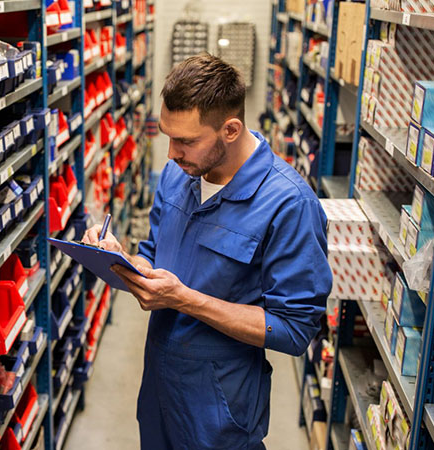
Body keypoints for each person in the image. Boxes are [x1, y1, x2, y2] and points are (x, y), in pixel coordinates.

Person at [82, 53, 333, 449]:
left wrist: (184, 300)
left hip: (220, 411)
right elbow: (153, 254)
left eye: (185, 141)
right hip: (159, 392)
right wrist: (122, 261)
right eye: (168, 135)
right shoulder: (178, 174)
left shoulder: (289, 204)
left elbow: (295, 328)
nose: (170, 153)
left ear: (230, 130)